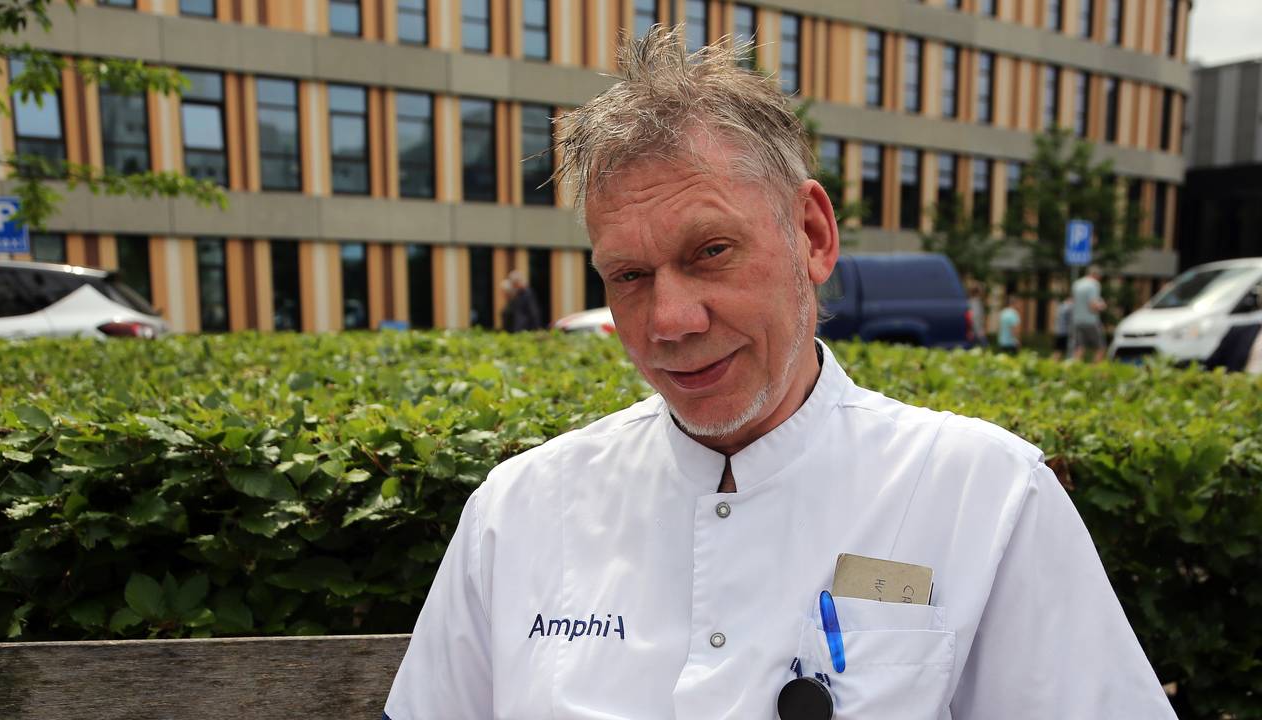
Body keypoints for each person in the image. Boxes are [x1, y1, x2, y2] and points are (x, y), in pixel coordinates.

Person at [384, 29, 1174, 719]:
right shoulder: (518, 513)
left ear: (813, 235)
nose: (670, 320)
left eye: (710, 252)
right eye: (629, 276)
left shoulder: (986, 497)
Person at [1071, 266, 1108, 363]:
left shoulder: (1077, 283)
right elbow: (1093, 305)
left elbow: (1073, 301)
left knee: (1079, 348)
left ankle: (1074, 369)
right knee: (1100, 348)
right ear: (1096, 275)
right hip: (1091, 321)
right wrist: (1102, 306)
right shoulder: (1093, 284)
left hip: (1077, 320)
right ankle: (1094, 370)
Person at [966, 282, 987, 347]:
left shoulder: (971, 302)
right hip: (976, 332)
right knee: (984, 347)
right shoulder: (975, 303)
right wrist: (972, 330)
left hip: (975, 331)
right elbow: (973, 317)